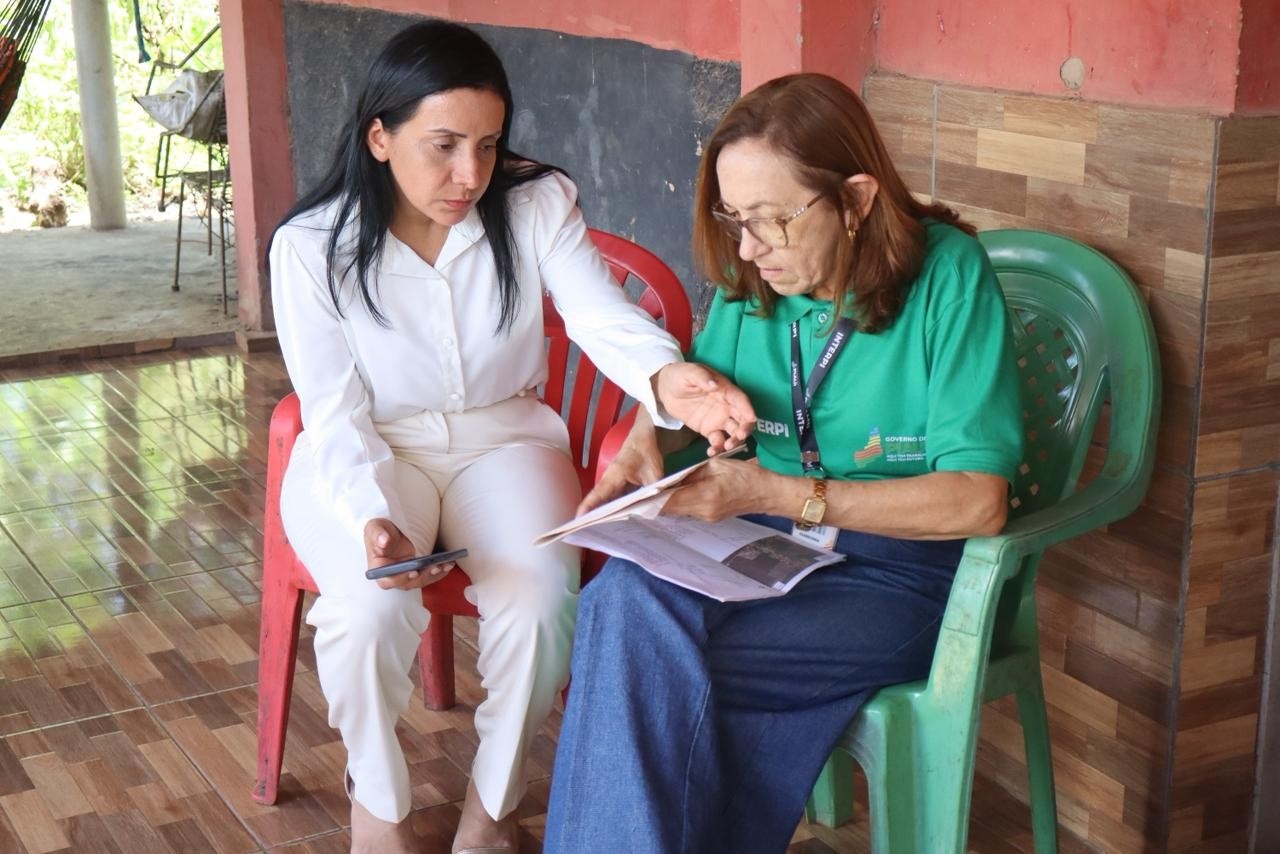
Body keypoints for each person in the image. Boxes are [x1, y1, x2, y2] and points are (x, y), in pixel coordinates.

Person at [267, 20, 754, 854]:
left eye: (488, 145)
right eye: (444, 145)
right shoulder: (312, 247)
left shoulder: (534, 202)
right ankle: (377, 810)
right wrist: (369, 517)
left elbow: (603, 318)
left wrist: (669, 380)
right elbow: (333, 408)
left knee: (539, 597)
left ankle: (490, 812)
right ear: (379, 137)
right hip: (372, 448)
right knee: (364, 611)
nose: (470, 175)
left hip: (505, 440)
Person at [543, 72, 1025, 853]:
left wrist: (779, 490)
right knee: (623, 604)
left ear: (858, 199)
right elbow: (696, 395)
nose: (746, 248)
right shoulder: (756, 280)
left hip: (898, 578)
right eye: (734, 219)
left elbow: (979, 501)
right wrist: (647, 434)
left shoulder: (949, 279)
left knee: (638, 664)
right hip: (761, 552)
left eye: (772, 221)